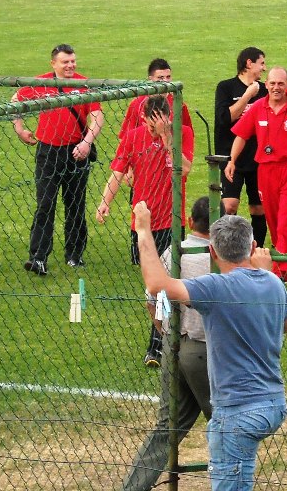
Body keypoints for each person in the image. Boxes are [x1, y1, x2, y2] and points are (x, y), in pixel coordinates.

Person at [135, 205, 287, 491]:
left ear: (213, 253)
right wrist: (265, 278)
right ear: (254, 246)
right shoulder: (273, 282)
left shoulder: (216, 288)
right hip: (273, 404)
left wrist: (144, 230)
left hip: (237, 413)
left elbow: (156, 284)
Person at [122, 196, 214, 491]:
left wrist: (164, 332)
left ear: (188, 220)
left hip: (173, 346)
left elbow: (153, 302)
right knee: (230, 425)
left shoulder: (173, 253)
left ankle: (132, 487)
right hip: (206, 352)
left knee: (166, 429)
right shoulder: (218, 257)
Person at [96, 95, 175, 366]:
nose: (154, 131)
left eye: (160, 125)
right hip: (142, 225)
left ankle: (157, 344)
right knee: (152, 289)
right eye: (151, 126)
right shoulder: (132, 138)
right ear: (143, 120)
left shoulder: (180, 134)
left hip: (170, 223)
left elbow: (183, 169)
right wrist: (105, 203)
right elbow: (118, 172)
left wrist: (167, 140)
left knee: (163, 284)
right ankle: (165, 338)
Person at [13, 44, 103, 275]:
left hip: (76, 152)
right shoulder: (41, 83)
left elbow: (97, 117)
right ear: (53, 64)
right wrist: (19, 128)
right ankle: (38, 257)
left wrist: (86, 143)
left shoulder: (84, 84)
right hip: (48, 152)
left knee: (75, 205)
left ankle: (74, 255)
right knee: (45, 205)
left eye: (73, 61)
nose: (70, 65)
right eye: (65, 62)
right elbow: (15, 100)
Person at [226, 67, 287, 282]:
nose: (276, 88)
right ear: (266, 85)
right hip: (266, 171)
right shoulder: (258, 107)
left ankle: (281, 272)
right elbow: (241, 134)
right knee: (275, 219)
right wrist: (232, 160)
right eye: (272, 83)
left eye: (281, 84)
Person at [119, 58, 194, 261]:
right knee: (141, 206)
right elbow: (127, 136)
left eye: (169, 77)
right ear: (150, 80)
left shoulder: (178, 104)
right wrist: (128, 169)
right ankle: (140, 249)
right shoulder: (137, 105)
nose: (166, 82)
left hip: (168, 166)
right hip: (143, 167)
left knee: (169, 206)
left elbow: (186, 133)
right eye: (160, 78)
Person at [215, 47, 268, 247]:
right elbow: (225, 118)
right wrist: (247, 96)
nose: (264, 68)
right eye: (261, 63)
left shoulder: (265, 91)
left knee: (258, 208)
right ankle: (225, 248)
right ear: (248, 63)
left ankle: (257, 250)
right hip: (231, 158)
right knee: (230, 205)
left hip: (257, 158)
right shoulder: (225, 87)